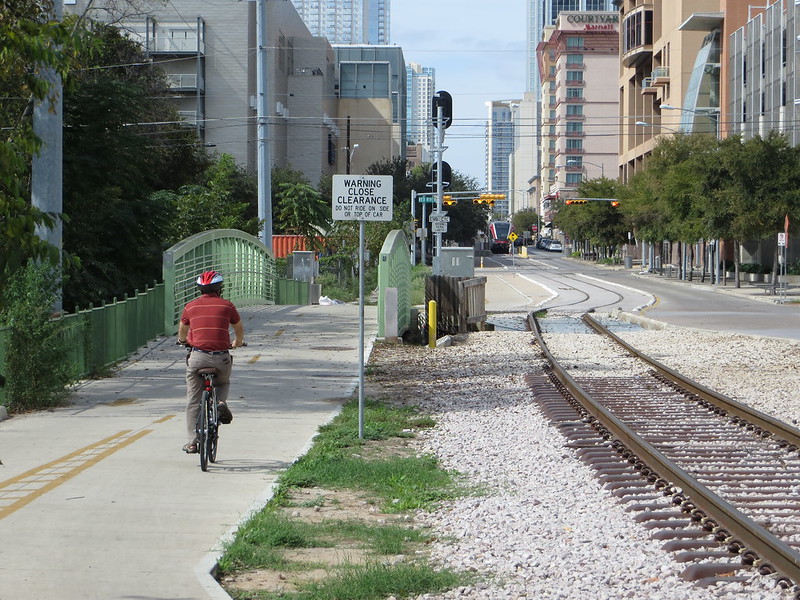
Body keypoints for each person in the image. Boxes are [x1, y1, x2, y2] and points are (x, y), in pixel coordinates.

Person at [177, 270, 245, 454]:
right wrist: (237, 342)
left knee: (193, 400)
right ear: (219, 288)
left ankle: (192, 442)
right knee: (223, 381)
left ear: (199, 289)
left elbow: (183, 330)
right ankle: (221, 402)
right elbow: (238, 327)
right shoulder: (227, 306)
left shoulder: (190, 306)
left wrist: (183, 341)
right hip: (221, 356)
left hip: (198, 357)